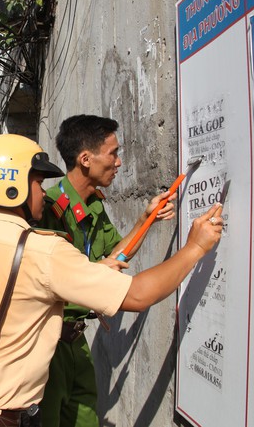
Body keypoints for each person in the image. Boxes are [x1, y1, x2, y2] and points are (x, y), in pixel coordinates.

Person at [0, 134, 223, 427]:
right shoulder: (42, 249)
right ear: (12, 187)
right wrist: (195, 248)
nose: (42, 192)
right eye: (37, 182)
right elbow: (138, 295)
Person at [38, 114, 176, 427]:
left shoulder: (94, 205)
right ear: (86, 159)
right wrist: (91, 275)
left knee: (86, 419)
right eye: (113, 153)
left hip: (75, 342)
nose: (119, 162)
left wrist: (146, 219)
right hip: (47, 344)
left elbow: (115, 255)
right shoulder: (48, 210)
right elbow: (41, 282)